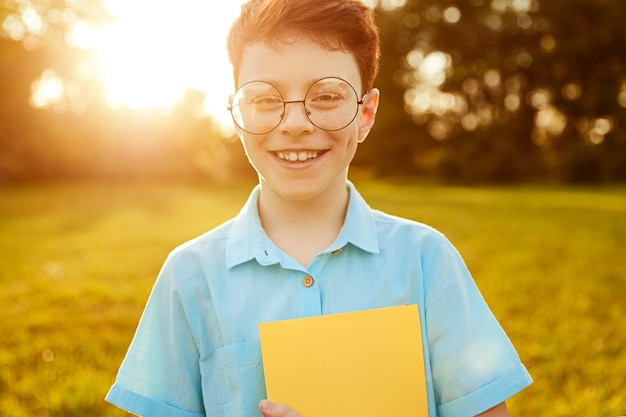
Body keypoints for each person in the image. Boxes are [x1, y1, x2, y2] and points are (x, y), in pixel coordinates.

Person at [105, 0, 532, 416]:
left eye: (326, 96)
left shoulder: (426, 260)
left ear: (365, 114)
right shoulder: (190, 276)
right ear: (237, 114)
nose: (295, 123)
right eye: (266, 99)